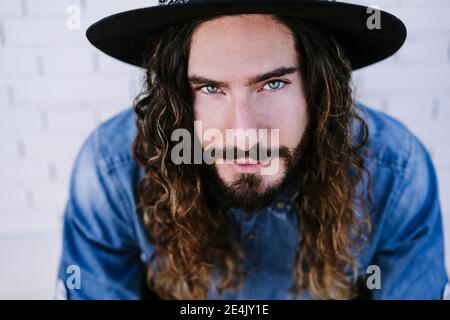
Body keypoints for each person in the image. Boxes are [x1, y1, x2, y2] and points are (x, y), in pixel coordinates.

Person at [56, 0, 449, 299]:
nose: (244, 131)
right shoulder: (112, 168)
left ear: (318, 86)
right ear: (176, 95)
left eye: (273, 84)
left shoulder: (396, 169)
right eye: (211, 88)